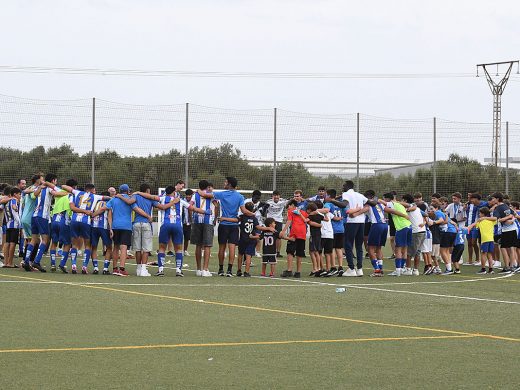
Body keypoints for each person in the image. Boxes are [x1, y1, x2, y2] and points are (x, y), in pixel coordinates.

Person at [197, 177, 255, 277]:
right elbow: (244, 211)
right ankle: (229, 270)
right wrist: (253, 214)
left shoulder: (222, 194)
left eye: (226, 182)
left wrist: (198, 190)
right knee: (232, 248)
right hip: (234, 226)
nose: (224, 183)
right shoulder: (240, 196)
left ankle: (220, 269)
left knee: (222, 248)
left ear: (229, 184)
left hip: (224, 225)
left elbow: (204, 194)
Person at [155, 185, 209, 277]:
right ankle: (178, 271)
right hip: (177, 226)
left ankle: (161, 270)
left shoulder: (162, 198)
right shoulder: (180, 200)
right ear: (173, 192)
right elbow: (193, 208)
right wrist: (205, 212)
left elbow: (154, 202)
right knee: (179, 249)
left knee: (162, 248)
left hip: (165, 225)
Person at [24, 174, 68, 272]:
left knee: (33, 239)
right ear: (53, 180)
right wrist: (67, 193)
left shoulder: (38, 188)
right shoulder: (48, 188)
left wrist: (40, 187)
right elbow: (57, 193)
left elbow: (33, 195)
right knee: (45, 239)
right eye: (55, 181)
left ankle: (26, 261)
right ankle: (36, 261)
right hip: (42, 216)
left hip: (34, 215)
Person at [106, 184, 147, 276]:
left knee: (116, 247)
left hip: (115, 226)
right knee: (124, 247)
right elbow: (137, 209)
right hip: (126, 226)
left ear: (119, 190)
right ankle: (122, 269)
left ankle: (115, 269)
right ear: (128, 191)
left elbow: (108, 211)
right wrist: (147, 216)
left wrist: (110, 227)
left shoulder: (113, 199)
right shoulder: (130, 200)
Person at [357, 190, 388, 277]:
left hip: (376, 225)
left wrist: (355, 214)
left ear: (368, 197)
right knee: (378, 248)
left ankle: (377, 270)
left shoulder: (369, 204)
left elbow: (365, 209)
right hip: (385, 225)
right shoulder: (380, 203)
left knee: (370, 248)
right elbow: (385, 205)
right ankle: (380, 269)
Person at [341, 180, 368, 276]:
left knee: (348, 245)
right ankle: (360, 269)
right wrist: (359, 212)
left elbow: (344, 204)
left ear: (347, 186)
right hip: (361, 223)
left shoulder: (346, 194)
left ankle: (351, 269)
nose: (342, 187)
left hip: (352, 222)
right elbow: (369, 205)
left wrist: (355, 213)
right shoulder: (360, 195)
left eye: (343, 185)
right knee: (359, 246)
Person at [190, 180, 217, 277]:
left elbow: (190, 205)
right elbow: (216, 204)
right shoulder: (210, 194)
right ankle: (205, 269)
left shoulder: (195, 195)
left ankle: (198, 269)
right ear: (207, 187)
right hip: (208, 221)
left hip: (197, 220)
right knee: (207, 245)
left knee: (198, 245)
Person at [382, 193, 412, 277]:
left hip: (401, 227)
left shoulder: (392, 204)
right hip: (409, 226)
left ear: (388, 199)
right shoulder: (400, 204)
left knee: (398, 248)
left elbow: (391, 210)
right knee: (405, 248)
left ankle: (398, 270)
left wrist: (404, 215)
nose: (384, 201)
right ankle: (402, 269)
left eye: (384, 199)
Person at [489, 192, 517, 274]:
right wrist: (509, 217)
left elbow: (496, 219)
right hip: (513, 229)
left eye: (493, 198)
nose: (492, 200)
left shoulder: (498, 208)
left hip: (506, 230)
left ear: (497, 199)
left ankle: (507, 267)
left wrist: (484, 218)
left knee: (503, 248)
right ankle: (511, 267)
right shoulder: (506, 205)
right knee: (511, 248)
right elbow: (513, 214)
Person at [280, 199, 308, 278]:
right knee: (299, 253)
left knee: (290, 252)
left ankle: (289, 270)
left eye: (288, 206)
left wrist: (283, 231)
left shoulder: (291, 211)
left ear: (292, 205)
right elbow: (307, 219)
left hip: (294, 233)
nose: (288, 208)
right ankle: (298, 272)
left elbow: (289, 221)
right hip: (302, 233)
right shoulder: (303, 212)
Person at [401, 194, 427, 276]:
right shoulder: (417, 208)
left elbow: (412, 207)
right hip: (422, 231)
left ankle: (408, 269)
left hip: (416, 232)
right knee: (417, 252)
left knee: (409, 252)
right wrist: (423, 222)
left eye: (402, 200)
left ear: (405, 201)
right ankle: (415, 270)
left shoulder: (412, 206)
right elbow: (426, 215)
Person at [467, 207, 497, 274]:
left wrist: (469, 227)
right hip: (491, 239)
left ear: (483, 214)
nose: (479, 214)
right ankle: (491, 269)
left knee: (483, 254)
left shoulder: (481, 221)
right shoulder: (491, 221)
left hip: (485, 240)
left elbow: (474, 225)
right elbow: (495, 219)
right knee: (489, 254)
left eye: (480, 213)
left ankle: (483, 269)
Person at [431, 203, 458, 275]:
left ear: (436, 208)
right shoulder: (441, 213)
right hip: (452, 232)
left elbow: (442, 220)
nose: (430, 210)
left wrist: (433, 222)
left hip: (447, 232)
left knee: (442, 251)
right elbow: (452, 222)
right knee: (446, 251)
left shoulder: (437, 213)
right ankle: (449, 267)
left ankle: (449, 269)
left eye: (432, 209)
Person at [90, 191, 113, 275]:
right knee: (109, 248)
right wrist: (111, 228)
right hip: (104, 227)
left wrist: (92, 216)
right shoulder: (109, 202)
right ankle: (105, 268)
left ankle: (95, 267)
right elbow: (109, 216)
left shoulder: (95, 202)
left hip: (94, 227)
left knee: (94, 247)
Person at [324, 189, 344, 276]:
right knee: (339, 248)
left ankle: (333, 267)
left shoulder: (328, 204)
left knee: (331, 249)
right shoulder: (339, 204)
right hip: (341, 228)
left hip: (332, 229)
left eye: (326, 195)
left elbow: (326, 211)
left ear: (328, 196)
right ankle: (340, 267)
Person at [263, 190, 289, 257]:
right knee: (269, 235)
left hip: (279, 220)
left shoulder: (283, 201)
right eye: (275, 195)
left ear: (279, 196)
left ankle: (278, 252)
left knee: (279, 237)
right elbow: (264, 210)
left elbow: (291, 202)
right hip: (270, 220)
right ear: (272, 196)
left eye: (277, 195)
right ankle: (269, 250)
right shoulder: (268, 202)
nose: (276, 197)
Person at [465, 193, 487, 265]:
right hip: (467, 225)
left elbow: (487, 205)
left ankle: (478, 259)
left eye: (471, 197)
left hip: (475, 226)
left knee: (474, 242)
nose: (469, 198)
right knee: (469, 243)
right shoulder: (468, 205)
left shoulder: (481, 204)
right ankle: (470, 260)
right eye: (468, 197)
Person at [3, 187, 21, 268]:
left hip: (8, 224)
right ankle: (10, 263)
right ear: (15, 194)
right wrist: (15, 208)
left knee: (7, 243)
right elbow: (14, 206)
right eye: (19, 194)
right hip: (14, 224)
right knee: (13, 243)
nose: (20, 196)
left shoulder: (6, 201)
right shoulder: (14, 200)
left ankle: (6, 262)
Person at [305, 202, 324, 276]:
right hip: (319, 234)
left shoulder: (311, 216)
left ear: (310, 210)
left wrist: (308, 216)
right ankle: (318, 268)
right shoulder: (319, 215)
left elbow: (306, 220)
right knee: (317, 251)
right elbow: (326, 219)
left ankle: (315, 268)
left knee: (312, 251)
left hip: (313, 235)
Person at [182, 189, 193, 256]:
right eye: (187, 196)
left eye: (189, 196)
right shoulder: (182, 201)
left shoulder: (193, 202)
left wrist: (191, 220)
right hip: (182, 222)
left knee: (187, 238)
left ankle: (185, 250)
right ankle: (179, 250)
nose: (188, 197)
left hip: (189, 223)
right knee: (180, 237)